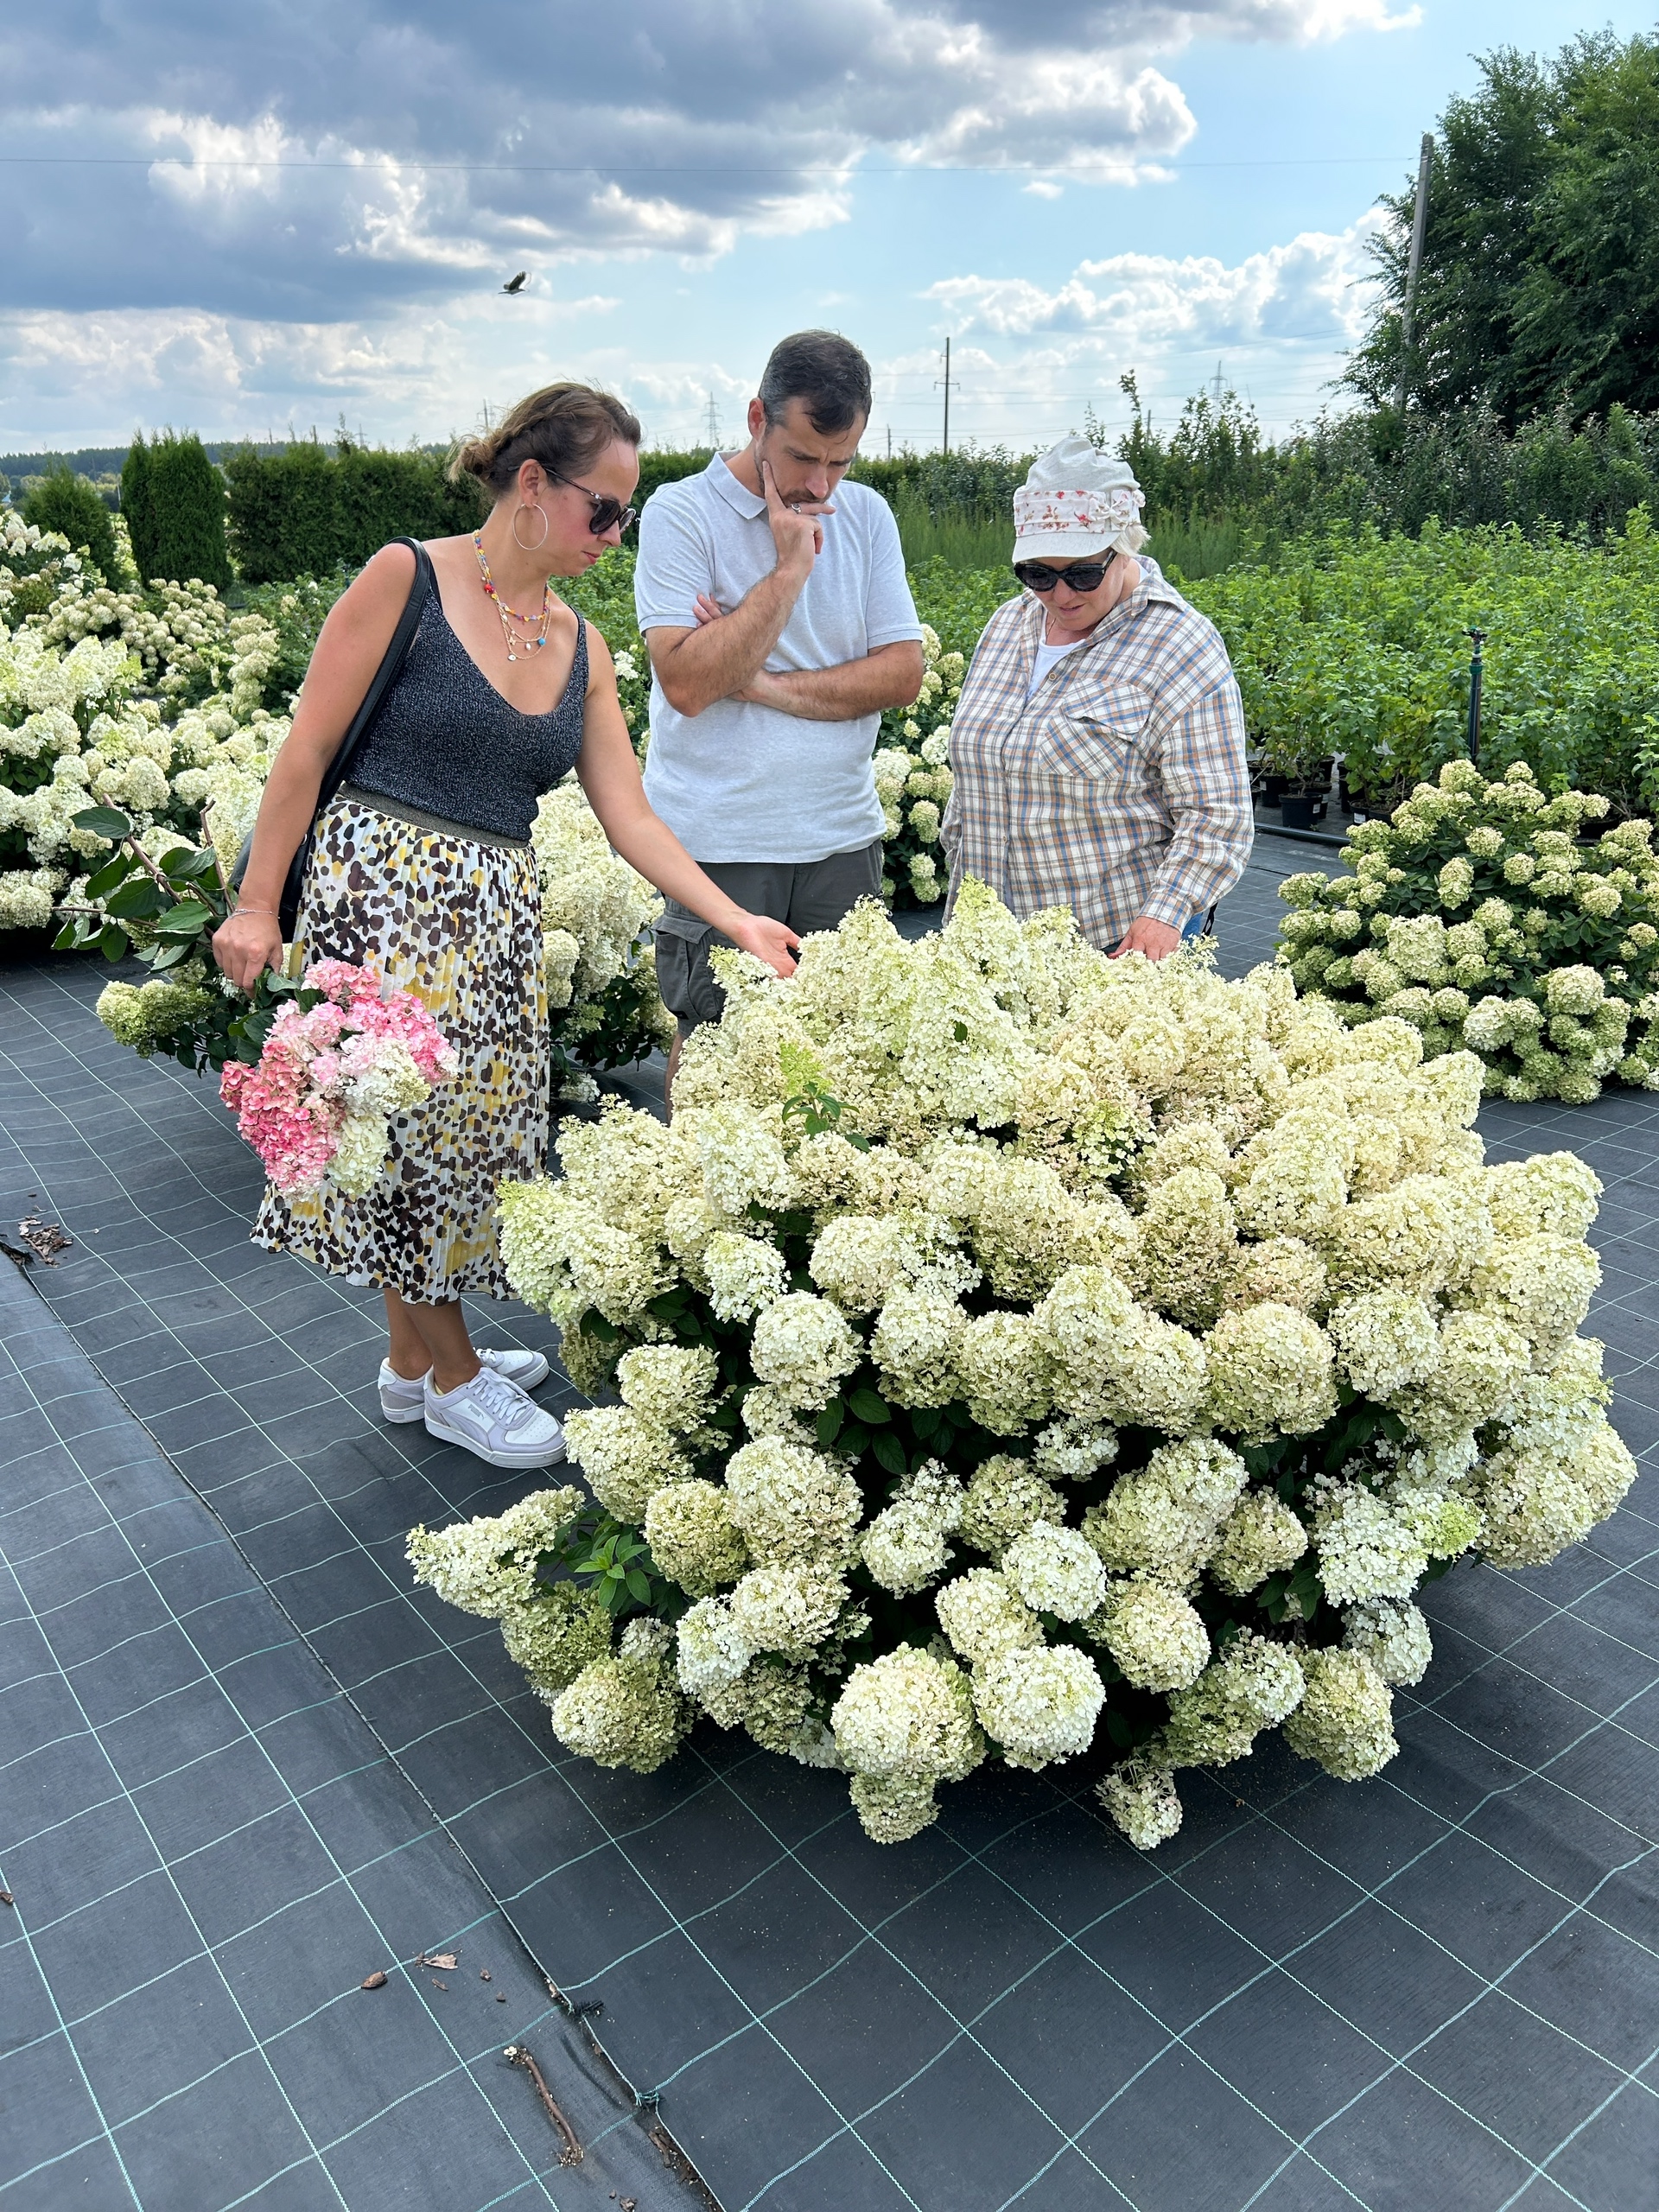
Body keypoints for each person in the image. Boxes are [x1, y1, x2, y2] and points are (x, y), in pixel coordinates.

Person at [213, 384, 799, 1472]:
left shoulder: (583, 646)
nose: (615, 534)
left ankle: (410, 1361)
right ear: (533, 484)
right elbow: (306, 750)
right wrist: (257, 902)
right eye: (603, 509)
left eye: (626, 514)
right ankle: (454, 1378)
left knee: (465, 1142)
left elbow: (629, 815)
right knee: (403, 1140)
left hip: (490, 931)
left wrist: (733, 920)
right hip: (377, 907)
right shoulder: (407, 579)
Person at [633, 330, 925, 1086]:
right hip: (723, 844)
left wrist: (758, 681)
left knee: (845, 1054)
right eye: (803, 457)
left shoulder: (868, 516)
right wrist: (791, 569)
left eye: (841, 462)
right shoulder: (682, 513)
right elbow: (689, 684)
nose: (821, 485)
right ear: (757, 418)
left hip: (842, 839)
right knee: (717, 1051)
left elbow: (902, 674)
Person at [942, 435, 1252, 957]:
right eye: (1038, 574)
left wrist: (1163, 917)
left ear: (1124, 548)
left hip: (1107, 949)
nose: (1060, 595)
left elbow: (1217, 814)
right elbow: (974, 771)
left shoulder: (1178, 644)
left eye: (1083, 574)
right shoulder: (1008, 625)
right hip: (983, 942)